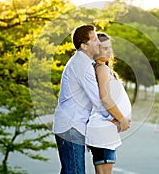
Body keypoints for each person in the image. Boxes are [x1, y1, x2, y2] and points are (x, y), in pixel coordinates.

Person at [53, 25, 131, 174]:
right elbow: (100, 101)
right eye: (94, 40)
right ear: (83, 45)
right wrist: (120, 119)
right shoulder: (82, 65)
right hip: (71, 126)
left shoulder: (85, 63)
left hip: (73, 126)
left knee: (71, 171)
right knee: (75, 171)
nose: (98, 43)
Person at [86, 32, 132, 174]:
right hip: (103, 130)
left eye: (110, 47)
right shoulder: (101, 69)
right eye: (105, 48)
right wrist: (121, 119)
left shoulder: (101, 68)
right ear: (96, 50)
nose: (110, 51)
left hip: (104, 129)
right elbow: (105, 98)